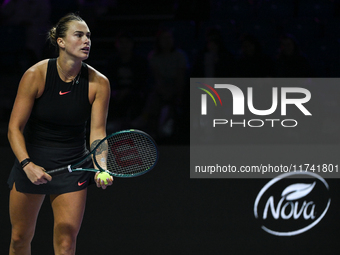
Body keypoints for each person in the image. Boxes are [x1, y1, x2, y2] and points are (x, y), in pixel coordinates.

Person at [7, 13, 113, 255]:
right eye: (79, 35)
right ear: (61, 41)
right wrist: (27, 164)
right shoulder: (36, 74)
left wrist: (102, 166)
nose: (87, 40)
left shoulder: (99, 83)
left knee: (66, 243)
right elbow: (14, 128)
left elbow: (97, 133)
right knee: (19, 238)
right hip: (32, 161)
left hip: (74, 164)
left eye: (88, 36)